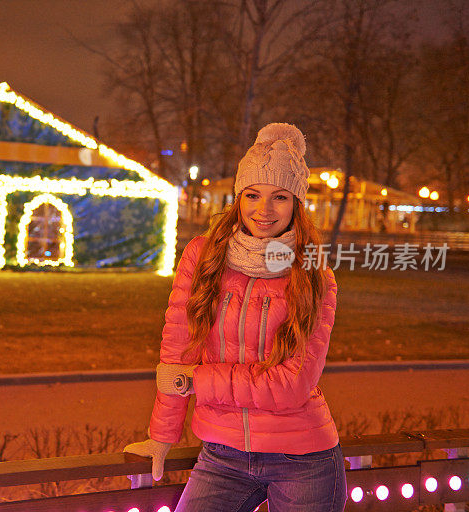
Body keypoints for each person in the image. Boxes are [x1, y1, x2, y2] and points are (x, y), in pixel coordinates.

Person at [124, 123, 346, 512]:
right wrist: (161, 436)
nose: (264, 209)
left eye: (280, 197)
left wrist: (196, 381)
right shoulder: (202, 256)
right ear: (238, 198)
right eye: (253, 195)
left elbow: (292, 385)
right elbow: (176, 350)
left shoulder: (314, 274)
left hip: (304, 460)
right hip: (222, 456)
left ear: (296, 203)